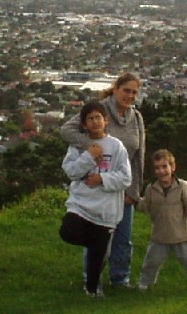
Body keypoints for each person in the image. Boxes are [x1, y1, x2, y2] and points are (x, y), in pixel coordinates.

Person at [60, 72, 145, 288]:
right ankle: (92, 278)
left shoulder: (136, 118)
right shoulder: (99, 109)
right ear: (115, 89)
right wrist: (89, 145)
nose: (130, 95)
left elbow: (138, 156)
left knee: (123, 239)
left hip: (122, 186)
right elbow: (66, 130)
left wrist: (134, 191)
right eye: (126, 90)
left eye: (134, 92)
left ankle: (120, 278)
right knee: (97, 237)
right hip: (94, 189)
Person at [58, 100, 132, 297]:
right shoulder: (79, 146)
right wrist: (89, 156)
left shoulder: (116, 146)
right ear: (84, 124)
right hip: (81, 205)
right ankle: (94, 243)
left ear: (106, 121)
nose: (95, 122)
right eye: (90, 119)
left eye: (98, 117)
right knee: (68, 232)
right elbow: (71, 171)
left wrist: (102, 178)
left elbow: (126, 178)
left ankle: (92, 291)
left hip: (105, 210)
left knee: (97, 260)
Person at [136, 149, 187, 293]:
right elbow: (145, 206)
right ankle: (145, 283)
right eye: (157, 168)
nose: (161, 171)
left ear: (172, 167)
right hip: (159, 236)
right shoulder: (151, 188)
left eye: (164, 167)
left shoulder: (182, 186)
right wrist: (133, 199)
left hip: (181, 235)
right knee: (151, 262)